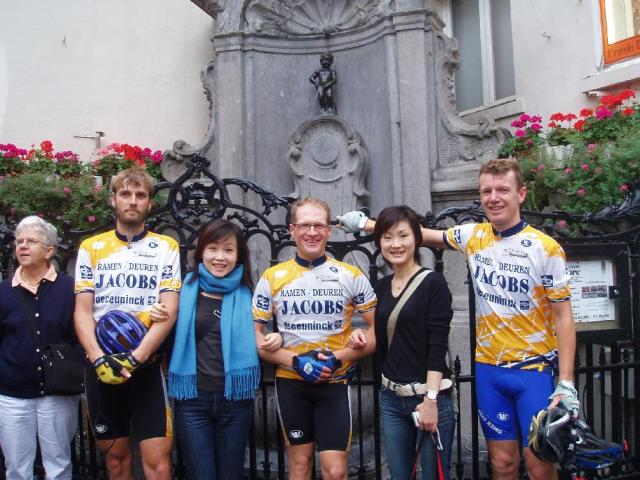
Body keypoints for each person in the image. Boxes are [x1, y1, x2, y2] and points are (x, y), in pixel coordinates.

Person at [338, 158, 578, 480]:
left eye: (502, 190)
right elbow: (418, 234)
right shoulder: (474, 236)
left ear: (521, 194)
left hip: (533, 370)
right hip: (490, 369)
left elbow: (564, 317)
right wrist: (368, 225)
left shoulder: (545, 249)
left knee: (539, 465)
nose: (493, 197)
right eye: (486, 191)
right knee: (502, 464)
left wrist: (566, 380)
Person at [252, 197, 377, 480]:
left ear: (329, 230)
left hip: (334, 383)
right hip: (291, 384)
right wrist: (295, 362)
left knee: (335, 472)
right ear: (292, 230)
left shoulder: (350, 275)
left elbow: (375, 334)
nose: (312, 232)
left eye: (318, 225)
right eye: (305, 225)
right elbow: (257, 340)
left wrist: (340, 358)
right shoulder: (272, 277)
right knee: (299, 465)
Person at [74, 168, 181, 480]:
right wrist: (98, 359)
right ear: (113, 199)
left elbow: (170, 310)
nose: (132, 201)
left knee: (159, 465)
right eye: (125, 194)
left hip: (146, 367)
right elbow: (82, 312)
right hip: (102, 368)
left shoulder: (166, 247)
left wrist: (136, 358)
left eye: (140, 195)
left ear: (149, 204)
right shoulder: (91, 248)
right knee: (117, 464)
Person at [348, 206, 455, 479]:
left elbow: (437, 345)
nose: (396, 244)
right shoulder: (382, 286)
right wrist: (358, 337)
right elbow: (379, 334)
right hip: (391, 398)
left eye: (403, 235)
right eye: (387, 237)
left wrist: (430, 399)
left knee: (432, 475)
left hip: (427, 397)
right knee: (399, 475)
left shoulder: (433, 283)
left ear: (416, 238)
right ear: (379, 242)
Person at [163, 218, 268, 479]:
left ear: (238, 255)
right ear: (201, 253)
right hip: (192, 401)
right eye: (213, 249)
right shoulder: (181, 290)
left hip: (235, 400)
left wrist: (272, 338)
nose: (220, 257)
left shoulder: (251, 294)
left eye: (228, 250)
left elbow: (263, 336)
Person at [0, 216, 79, 480]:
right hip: (12, 395)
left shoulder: (69, 288)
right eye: (19, 241)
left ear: (49, 250)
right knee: (17, 469)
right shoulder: (3, 292)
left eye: (31, 241)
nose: (22, 246)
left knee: (58, 466)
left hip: (57, 394)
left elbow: (78, 336)